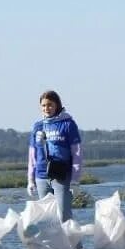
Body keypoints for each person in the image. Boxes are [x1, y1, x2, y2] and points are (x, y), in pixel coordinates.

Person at [27, 90, 82, 222]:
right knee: (47, 219)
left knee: (64, 217)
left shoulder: (68, 124)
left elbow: (77, 153)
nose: (47, 108)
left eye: (50, 105)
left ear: (57, 105)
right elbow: (32, 154)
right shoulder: (38, 126)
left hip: (61, 175)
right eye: (44, 105)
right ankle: (52, 244)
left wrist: (75, 180)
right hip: (41, 176)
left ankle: (74, 243)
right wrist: (30, 179)